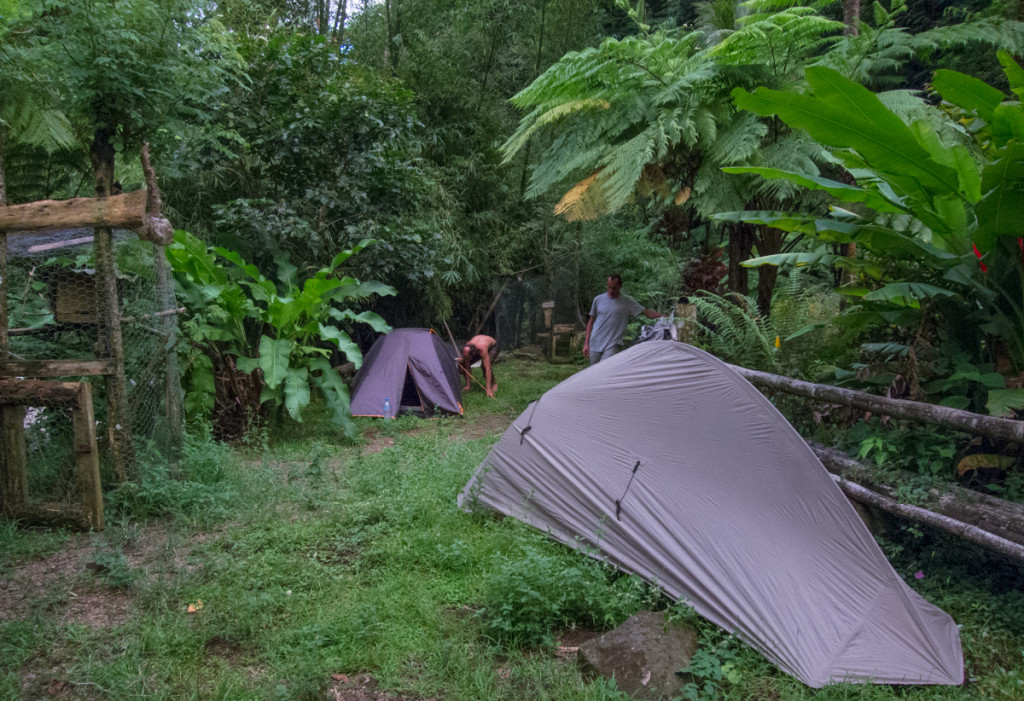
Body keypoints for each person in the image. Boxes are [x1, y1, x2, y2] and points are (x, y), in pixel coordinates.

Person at [584, 275, 666, 364]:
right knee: (593, 372)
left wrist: (668, 317)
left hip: (612, 344)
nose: (611, 291)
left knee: (606, 370)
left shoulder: (627, 301)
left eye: (614, 288)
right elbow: (591, 322)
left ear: (620, 286)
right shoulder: (598, 299)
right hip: (595, 342)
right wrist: (586, 344)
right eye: (609, 288)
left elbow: (649, 313)